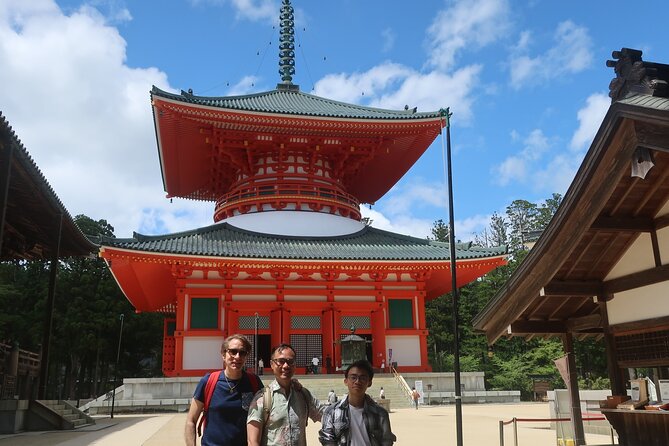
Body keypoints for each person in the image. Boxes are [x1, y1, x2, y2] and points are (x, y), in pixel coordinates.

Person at [185, 334, 263, 446]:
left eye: (242, 352)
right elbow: (191, 421)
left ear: (246, 356)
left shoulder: (254, 382)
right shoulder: (209, 381)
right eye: (233, 351)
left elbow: (267, 413)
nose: (237, 356)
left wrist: (293, 385)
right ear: (223, 354)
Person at [247, 344, 326, 446]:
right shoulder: (263, 398)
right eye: (280, 361)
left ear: (295, 365)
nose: (285, 366)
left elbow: (325, 414)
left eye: (290, 361)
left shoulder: (303, 395)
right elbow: (253, 442)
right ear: (272, 364)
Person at [319, 359, 396, 446]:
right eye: (353, 377)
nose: (357, 381)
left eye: (362, 378)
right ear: (346, 381)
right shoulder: (331, 412)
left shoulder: (381, 414)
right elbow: (327, 441)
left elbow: (386, 442)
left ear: (369, 382)